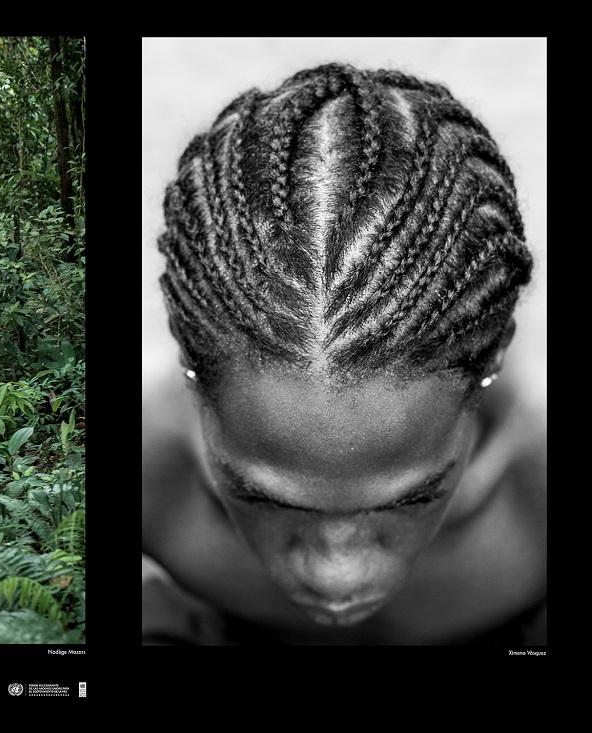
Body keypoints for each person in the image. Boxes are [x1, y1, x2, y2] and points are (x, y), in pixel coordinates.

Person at [142, 63, 546, 645]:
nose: (338, 578)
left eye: (414, 499)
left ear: (492, 360)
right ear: (191, 369)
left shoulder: (536, 488)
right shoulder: (149, 475)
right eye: (261, 498)